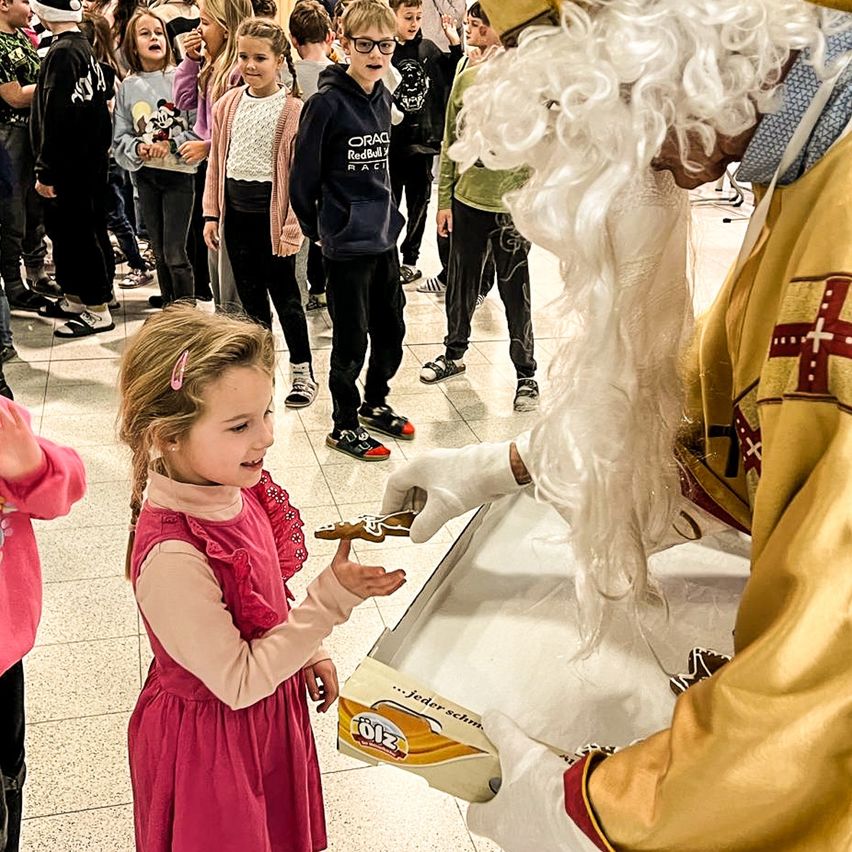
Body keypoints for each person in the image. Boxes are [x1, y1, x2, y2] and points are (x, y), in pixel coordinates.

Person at [382, 1, 852, 850]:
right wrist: (511, 464)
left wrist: (597, 809)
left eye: (596, 110)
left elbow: (830, 685)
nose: (630, 162)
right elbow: (725, 427)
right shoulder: (805, 159)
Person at [118, 305, 406, 851]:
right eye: (240, 425)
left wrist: (311, 647)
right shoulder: (174, 557)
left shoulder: (238, 489)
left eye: (267, 413)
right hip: (215, 747)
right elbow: (238, 679)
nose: (267, 436)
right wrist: (328, 604)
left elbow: (264, 600)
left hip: (267, 719)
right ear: (167, 436)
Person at [290, 0, 414, 461]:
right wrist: (317, 228)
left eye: (385, 44)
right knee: (351, 337)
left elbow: (380, 167)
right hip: (344, 242)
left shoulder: (382, 96)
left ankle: (374, 402)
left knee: (392, 329)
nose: (376, 54)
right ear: (344, 44)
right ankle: (343, 424)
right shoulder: (324, 103)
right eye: (365, 45)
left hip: (383, 236)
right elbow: (302, 177)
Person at [420, 10, 537, 411]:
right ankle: (453, 354)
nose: (471, 33)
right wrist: (444, 200)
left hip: (510, 209)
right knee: (461, 285)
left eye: (476, 26)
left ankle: (526, 375)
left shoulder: (529, 79)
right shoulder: (466, 72)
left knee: (515, 293)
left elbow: (542, 146)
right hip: (468, 204)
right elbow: (451, 138)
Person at [203, 17, 318, 408]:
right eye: (243, 57)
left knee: (287, 298)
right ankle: (260, 376)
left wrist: (292, 226)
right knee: (251, 305)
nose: (250, 66)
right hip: (237, 220)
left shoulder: (293, 111)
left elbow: (299, 178)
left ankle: (302, 370)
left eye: (260, 58)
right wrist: (211, 215)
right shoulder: (227, 104)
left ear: (280, 59)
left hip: (274, 222)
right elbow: (217, 162)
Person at [0, 395, 86, 852]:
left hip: (2, 657)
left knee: (8, 774)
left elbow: (66, 485)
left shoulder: (2, 423)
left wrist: (31, 465)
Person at [30, 0, 115, 337]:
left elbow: (57, 115)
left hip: (70, 166)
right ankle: (77, 298)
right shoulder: (80, 45)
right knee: (72, 234)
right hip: (87, 161)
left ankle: (97, 308)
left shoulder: (63, 52)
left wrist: (46, 170)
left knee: (77, 235)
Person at [113, 9, 199, 307]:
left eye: (159, 32)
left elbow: (199, 128)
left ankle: (186, 311)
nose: (154, 38)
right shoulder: (128, 86)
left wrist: (172, 144)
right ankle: (169, 302)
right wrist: (137, 149)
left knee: (176, 251)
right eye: (145, 33)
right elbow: (120, 135)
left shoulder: (182, 78)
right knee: (159, 250)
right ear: (132, 45)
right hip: (146, 177)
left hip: (179, 177)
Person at [172, 0, 252, 309]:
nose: (198, 30)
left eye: (205, 23)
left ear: (227, 27)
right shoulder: (211, 64)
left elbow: (241, 128)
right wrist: (191, 60)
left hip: (230, 171)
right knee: (214, 250)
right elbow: (183, 99)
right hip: (212, 168)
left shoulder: (238, 73)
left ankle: (235, 321)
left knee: (229, 256)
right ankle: (225, 315)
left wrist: (207, 146)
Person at [415, 0, 495, 298]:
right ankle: (450, 274)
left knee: (483, 234)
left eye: (474, 25)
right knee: (450, 226)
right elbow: (453, 114)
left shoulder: (497, 68)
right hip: (459, 158)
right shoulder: (464, 61)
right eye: (468, 24)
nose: (467, 28)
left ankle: (481, 285)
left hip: (485, 166)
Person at [387, 0, 460, 285]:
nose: (414, 23)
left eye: (418, 17)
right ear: (393, 16)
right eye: (408, 17)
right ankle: (388, 256)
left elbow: (453, 73)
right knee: (390, 205)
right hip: (393, 143)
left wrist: (455, 44)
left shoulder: (428, 49)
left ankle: (410, 259)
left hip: (422, 144)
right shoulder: (387, 51)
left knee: (419, 204)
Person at [0, 0, 56, 331]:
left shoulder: (21, 34)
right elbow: (15, 95)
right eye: (24, 0)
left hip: (31, 131)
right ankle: (14, 285)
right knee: (12, 212)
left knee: (34, 207)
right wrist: (55, 81)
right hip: (10, 136)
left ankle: (37, 272)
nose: (31, 7)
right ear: (4, 4)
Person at [288, 0, 332, 312]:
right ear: (330, 35)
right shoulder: (340, 75)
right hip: (331, 172)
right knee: (324, 238)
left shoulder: (284, 77)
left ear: (293, 39)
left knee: (299, 242)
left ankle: (299, 299)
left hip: (293, 170)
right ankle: (323, 291)